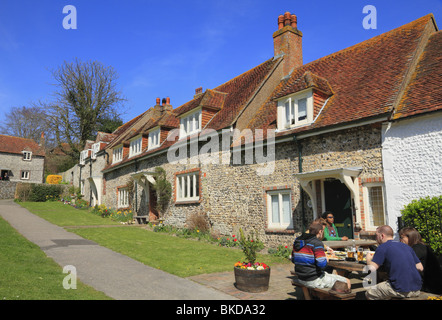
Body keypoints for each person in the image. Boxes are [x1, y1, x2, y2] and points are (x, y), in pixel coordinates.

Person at [365, 225, 423, 300]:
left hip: (399, 288)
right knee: (385, 293)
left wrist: (368, 259)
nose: (376, 238)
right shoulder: (406, 247)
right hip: (417, 288)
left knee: (369, 293)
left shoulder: (383, 247)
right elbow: (420, 267)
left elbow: (371, 269)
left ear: (382, 236)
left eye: (376, 236)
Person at [292, 220, 351, 291]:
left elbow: (293, 259)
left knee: (330, 276)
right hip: (314, 279)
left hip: (301, 278)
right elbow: (322, 264)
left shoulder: (298, 240)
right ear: (320, 231)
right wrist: (326, 260)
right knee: (347, 282)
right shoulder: (317, 243)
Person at [399, 227, 442, 294]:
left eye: (402, 237)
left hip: (429, 288)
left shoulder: (418, 248)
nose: (400, 240)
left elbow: (403, 262)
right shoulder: (420, 247)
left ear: (410, 237)